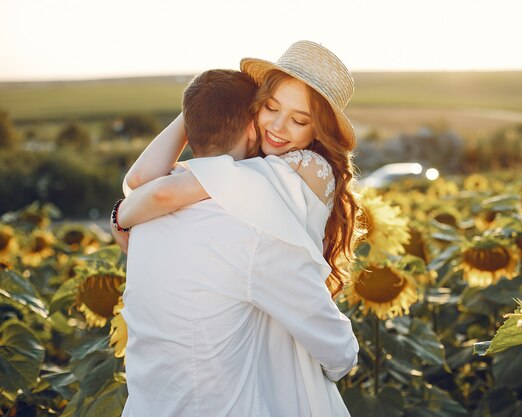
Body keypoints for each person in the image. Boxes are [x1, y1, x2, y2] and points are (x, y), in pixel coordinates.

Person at [114, 41, 361, 417]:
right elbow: (143, 181)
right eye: (270, 108)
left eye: (299, 119)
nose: (278, 127)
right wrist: (201, 101)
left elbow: (152, 187)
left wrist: (122, 215)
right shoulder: (245, 178)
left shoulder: (302, 168)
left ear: (318, 132)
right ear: (254, 108)